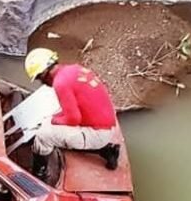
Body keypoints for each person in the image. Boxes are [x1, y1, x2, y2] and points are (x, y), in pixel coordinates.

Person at [23, 47, 121, 177]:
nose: (41, 83)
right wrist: (55, 118)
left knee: (43, 135)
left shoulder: (60, 82)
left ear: (43, 74)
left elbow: (74, 119)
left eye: (39, 79)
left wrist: (53, 120)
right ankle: (108, 151)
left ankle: (39, 174)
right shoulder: (73, 69)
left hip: (98, 133)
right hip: (104, 125)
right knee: (53, 120)